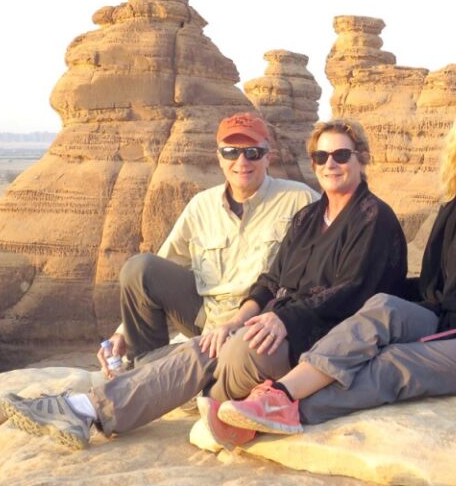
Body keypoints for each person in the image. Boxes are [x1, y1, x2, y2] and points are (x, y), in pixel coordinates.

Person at [2, 118, 408, 449]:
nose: (330, 164)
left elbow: (352, 292)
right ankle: (88, 407)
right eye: (321, 156)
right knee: (208, 346)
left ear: (361, 159)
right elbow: (271, 280)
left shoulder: (372, 218)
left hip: (318, 343)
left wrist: (281, 320)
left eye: (341, 155)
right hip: (268, 326)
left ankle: (96, 405)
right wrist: (239, 320)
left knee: (213, 353)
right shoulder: (309, 217)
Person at [216, 101, 456, 437]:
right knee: (383, 306)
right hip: (451, 320)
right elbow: (432, 286)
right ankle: (278, 394)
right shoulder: (455, 207)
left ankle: (291, 409)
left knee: (395, 360)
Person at [98, 112, 318, 374]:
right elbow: (166, 260)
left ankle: (152, 370)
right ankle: (143, 365)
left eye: (253, 153)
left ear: (268, 156)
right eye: (231, 152)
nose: (241, 162)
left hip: (261, 321)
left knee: (165, 368)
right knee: (139, 269)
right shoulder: (201, 205)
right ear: (219, 158)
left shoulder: (299, 199)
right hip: (209, 318)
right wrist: (122, 332)